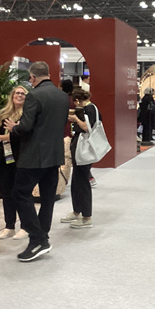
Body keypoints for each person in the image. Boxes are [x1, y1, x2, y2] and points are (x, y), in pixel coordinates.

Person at [5, 61, 69, 262]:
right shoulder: (62, 96)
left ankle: (38, 238)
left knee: (19, 193)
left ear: (32, 77)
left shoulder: (34, 95)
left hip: (34, 156)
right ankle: (42, 237)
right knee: (48, 197)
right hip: (54, 154)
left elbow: (25, 127)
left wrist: (14, 128)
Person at [0, 86, 29, 240]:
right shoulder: (4, 115)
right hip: (5, 157)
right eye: (17, 93)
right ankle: (9, 226)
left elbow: (20, 136)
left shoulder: (27, 115)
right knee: (7, 193)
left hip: (21, 157)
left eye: (23, 93)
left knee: (20, 193)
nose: (19, 95)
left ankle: (25, 226)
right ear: (12, 95)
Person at [62, 88, 100, 229]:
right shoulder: (89, 108)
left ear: (77, 101)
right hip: (79, 148)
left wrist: (76, 119)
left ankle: (86, 217)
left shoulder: (89, 109)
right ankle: (77, 211)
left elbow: (87, 127)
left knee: (82, 181)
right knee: (77, 180)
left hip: (84, 150)